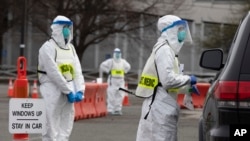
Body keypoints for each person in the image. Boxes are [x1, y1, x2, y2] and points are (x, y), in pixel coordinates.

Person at [135, 15, 197, 141]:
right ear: (170, 30)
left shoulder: (170, 52)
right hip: (159, 106)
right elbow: (168, 81)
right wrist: (188, 79)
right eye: (180, 29)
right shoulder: (164, 50)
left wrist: (188, 89)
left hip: (163, 104)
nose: (183, 32)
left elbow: (170, 79)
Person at [37, 15, 85, 141]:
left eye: (69, 27)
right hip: (51, 88)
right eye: (65, 27)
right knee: (50, 120)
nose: (67, 30)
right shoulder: (47, 48)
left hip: (68, 88)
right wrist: (68, 90)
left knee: (66, 119)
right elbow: (53, 72)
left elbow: (77, 71)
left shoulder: (71, 48)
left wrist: (80, 89)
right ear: (57, 28)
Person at [100, 48, 131, 115]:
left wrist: (125, 71)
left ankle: (118, 109)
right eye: (116, 53)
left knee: (120, 95)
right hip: (112, 80)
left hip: (120, 80)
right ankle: (110, 109)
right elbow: (102, 65)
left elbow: (128, 67)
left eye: (118, 53)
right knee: (111, 94)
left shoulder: (123, 62)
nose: (117, 55)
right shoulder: (110, 61)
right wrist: (108, 71)